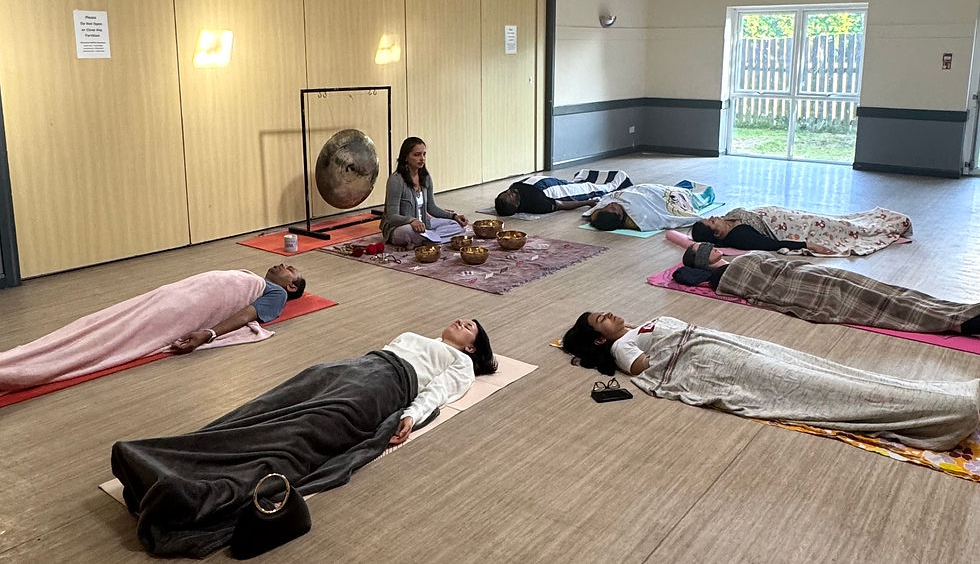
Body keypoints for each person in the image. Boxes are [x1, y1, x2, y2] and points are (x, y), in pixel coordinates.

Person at [111, 318, 496, 557]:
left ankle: (198, 493)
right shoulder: (413, 335)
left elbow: (438, 392)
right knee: (262, 410)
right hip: (349, 368)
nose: (462, 321)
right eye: (463, 319)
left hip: (384, 387)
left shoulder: (460, 362)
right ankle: (168, 458)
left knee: (303, 431)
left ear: (471, 347)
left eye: (470, 327)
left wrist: (411, 415)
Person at [561, 311, 980, 452]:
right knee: (816, 386)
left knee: (821, 370)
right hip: (712, 363)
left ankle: (945, 396)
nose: (610, 314)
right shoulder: (622, 347)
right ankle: (951, 409)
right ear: (600, 339)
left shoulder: (635, 329)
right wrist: (670, 348)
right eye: (602, 320)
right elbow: (642, 369)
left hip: (727, 346)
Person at [0, 264, 306, 393]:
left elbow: (246, 315)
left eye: (290, 269)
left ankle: (18, 370)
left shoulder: (276, 294)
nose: (282, 264)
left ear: (291, 286)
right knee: (101, 322)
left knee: (112, 337)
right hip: (172, 295)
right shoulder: (255, 278)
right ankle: (19, 362)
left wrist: (208, 334)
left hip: (184, 308)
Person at [674, 243, 980, 335]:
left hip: (806, 273)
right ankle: (958, 322)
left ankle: (958, 310)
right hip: (800, 288)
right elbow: (681, 274)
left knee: (881, 288)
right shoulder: (720, 278)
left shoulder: (738, 258)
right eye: (703, 250)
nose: (711, 248)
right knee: (872, 301)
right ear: (701, 263)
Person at [690, 206, 912, 255]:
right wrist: (807, 244)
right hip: (796, 227)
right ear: (717, 234)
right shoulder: (739, 237)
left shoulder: (728, 218)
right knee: (840, 227)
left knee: (834, 219)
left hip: (788, 215)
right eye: (712, 223)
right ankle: (892, 225)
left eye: (710, 218)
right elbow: (771, 244)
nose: (714, 217)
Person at [381, 137, 467, 246]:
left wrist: (454, 216)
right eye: (417, 155)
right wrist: (412, 221)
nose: (422, 158)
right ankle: (431, 238)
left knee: (458, 225)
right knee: (409, 231)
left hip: (424, 225)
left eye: (424, 154)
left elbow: (432, 207)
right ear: (406, 157)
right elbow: (392, 216)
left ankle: (428, 239)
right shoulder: (396, 180)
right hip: (400, 227)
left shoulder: (425, 178)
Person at [584, 180, 714, 232]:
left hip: (648, 190)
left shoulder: (604, 207)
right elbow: (660, 216)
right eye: (613, 208)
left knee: (677, 187)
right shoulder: (638, 216)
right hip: (664, 198)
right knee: (692, 195)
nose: (612, 204)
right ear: (620, 216)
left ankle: (682, 187)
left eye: (607, 206)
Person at [493, 169, 632, 217]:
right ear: (516, 204)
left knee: (580, 180)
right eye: (510, 195)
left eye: (506, 192)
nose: (510, 191)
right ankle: (620, 182)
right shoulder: (537, 204)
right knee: (596, 188)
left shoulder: (514, 187)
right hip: (558, 190)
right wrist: (587, 202)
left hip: (551, 181)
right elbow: (561, 204)